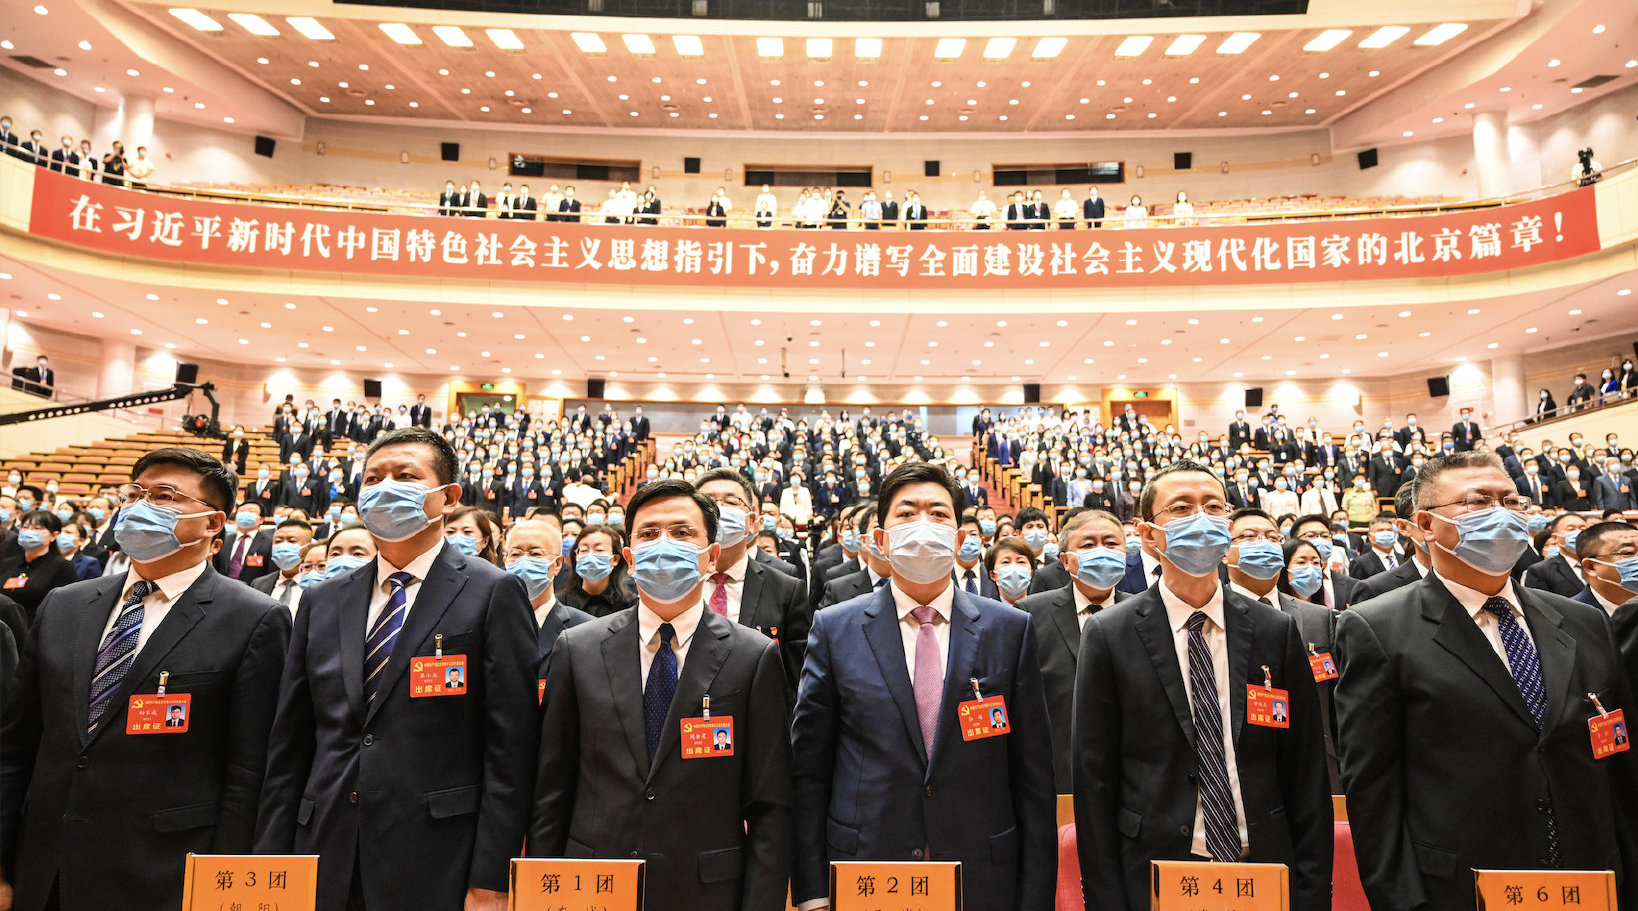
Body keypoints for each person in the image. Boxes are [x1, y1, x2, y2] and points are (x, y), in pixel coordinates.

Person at [1334, 451, 1638, 911]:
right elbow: (1373, 791)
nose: (1502, 514)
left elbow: (1618, 763)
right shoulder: (1376, 627)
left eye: (1511, 501)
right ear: (1426, 525)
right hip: (1460, 886)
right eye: (1478, 502)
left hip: (1590, 878)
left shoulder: (1583, 622)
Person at [254, 427, 539, 911]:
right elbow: (291, 741)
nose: (385, 487)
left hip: (437, 852)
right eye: (373, 478)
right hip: (323, 844)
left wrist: (492, 876)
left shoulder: (493, 592)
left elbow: (510, 748)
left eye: (405, 476)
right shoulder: (323, 599)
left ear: (447, 497)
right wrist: (269, 862)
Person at [0, 447, 291, 911]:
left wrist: (223, 886)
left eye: (165, 496)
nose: (140, 505)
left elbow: (247, 772)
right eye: (136, 493)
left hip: (165, 874)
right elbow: (15, 749)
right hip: (47, 866)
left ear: (213, 524)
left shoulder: (256, 618)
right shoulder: (63, 605)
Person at [792, 462, 1056, 911]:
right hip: (867, 868)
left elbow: (1031, 776)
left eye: (938, 514)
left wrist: (1034, 896)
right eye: (907, 513)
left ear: (959, 539)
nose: (923, 526)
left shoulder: (1010, 629)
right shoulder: (835, 628)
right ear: (880, 539)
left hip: (984, 872)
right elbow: (810, 770)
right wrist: (813, 891)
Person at [1072, 460, 1332, 911]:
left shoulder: (1275, 629)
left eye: (1213, 507)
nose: (1201, 519)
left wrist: (1311, 889)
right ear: (1148, 533)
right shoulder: (1109, 633)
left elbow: (1305, 770)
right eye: (1181, 508)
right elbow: (1094, 778)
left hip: (1264, 866)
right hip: (1156, 869)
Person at [529, 480, 792, 910]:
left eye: (682, 532)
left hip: (707, 889)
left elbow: (770, 805)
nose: (664, 544)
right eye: (648, 534)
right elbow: (552, 788)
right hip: (594, 883)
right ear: (629, 559)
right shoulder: (577, 648)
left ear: (710, 556)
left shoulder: (754, 655)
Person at [1224, 510, 1342, 791]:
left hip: (1317, 764)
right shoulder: (1210, 615)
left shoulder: (1317, 617)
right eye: (1249, 537)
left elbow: (1337, 701)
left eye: (1271, 537)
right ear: (1224, 553)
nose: (1263, 543)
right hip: (1239, 769)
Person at [1016, 509, 1131, 792]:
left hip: (1132, 779)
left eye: (1112, 543)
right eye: (1088, 545)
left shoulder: (1143, 613)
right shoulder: (1029, 614)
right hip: (1057, 776)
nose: (1102, 551)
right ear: (1066, 560)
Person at [697, 469, 809, 699]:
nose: (718, 509)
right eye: (708, 501)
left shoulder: (786, 589)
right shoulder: (674, 585)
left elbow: (797, 678)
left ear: (752, 523)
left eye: (731, 502)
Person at [500, 519, 590, 680]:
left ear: (557, 564)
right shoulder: (485, 623)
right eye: (515, 554)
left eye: (535, 554)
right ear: (505, 561)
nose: (524, 561)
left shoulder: (586, 628)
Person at [0, 509, 83, 616]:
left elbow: (63, 607)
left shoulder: (62, 567)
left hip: (34, 628)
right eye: (25, 527)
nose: (28, 532)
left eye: (37, 528)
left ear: (54, 535)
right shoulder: (8, 562)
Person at [560, 523, 638, 617]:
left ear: (615, 559)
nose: (590, 556)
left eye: (599, 550)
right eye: (584, 550)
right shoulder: (560, 603)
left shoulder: (630, 605)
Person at [250, 517, 315, 613]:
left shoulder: (318, 584)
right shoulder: (258, 584)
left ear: (308, 548)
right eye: (278, 541)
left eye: (292, 541)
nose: (283, 546)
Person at [987, 536, 1036, 605]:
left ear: (1031, 573)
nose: (1014, 568)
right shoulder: (984, 611)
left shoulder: (1043, 610)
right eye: (1006, 562)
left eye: (1021, 562)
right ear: (992, 574)